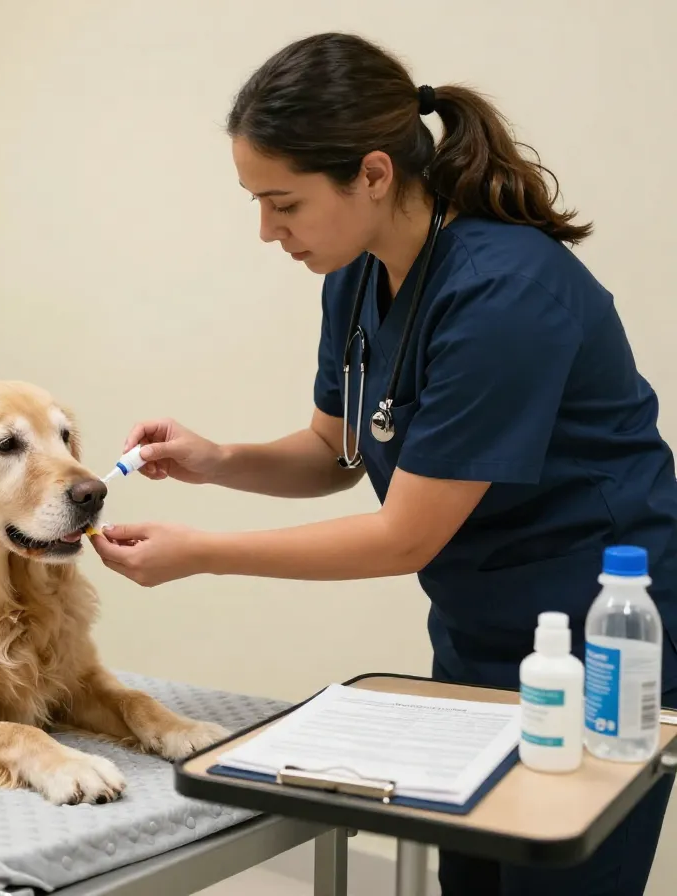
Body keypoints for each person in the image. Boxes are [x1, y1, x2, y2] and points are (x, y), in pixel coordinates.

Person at [88, 31, 677, 896]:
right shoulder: (359, 274)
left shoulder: (504, 292)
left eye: (282, 203)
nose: (266, 231)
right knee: (471, 882)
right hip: (481, 629)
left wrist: (203, 552)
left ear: (371, 173)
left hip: (606, 634)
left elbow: (404, 537)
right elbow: (337, 451)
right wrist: (216, 459)